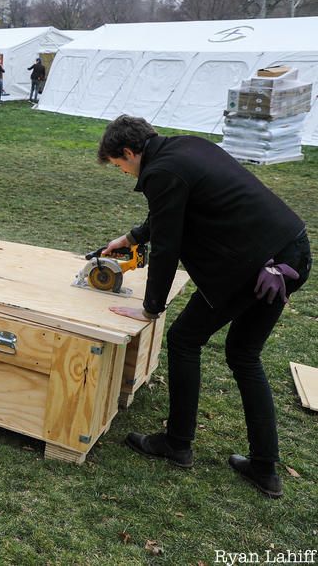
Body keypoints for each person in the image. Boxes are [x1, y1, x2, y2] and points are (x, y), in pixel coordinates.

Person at [98, 115, 310, 499]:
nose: (125, 173)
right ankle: (265, 468)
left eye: (120, 165)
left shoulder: (162, 171)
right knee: (244, 355)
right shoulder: (185, 148)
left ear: (129, 152)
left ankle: (176, 443)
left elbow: (167, 246)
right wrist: (130, 236)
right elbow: (169, 212)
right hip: (291, 252)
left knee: (183, 339)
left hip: (257, 265)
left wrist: (150, 309)